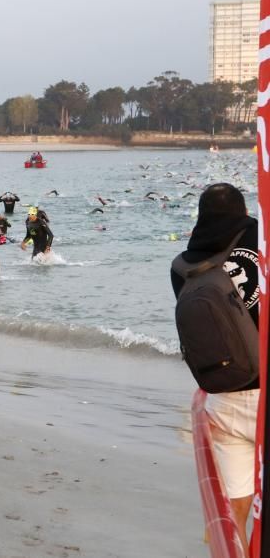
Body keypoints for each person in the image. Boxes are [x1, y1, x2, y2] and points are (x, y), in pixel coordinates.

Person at [171, 183, 259, 551]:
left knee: (230, 514)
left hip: (222, 399)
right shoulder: (262, 241)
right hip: (264, 395)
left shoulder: (183, 267)